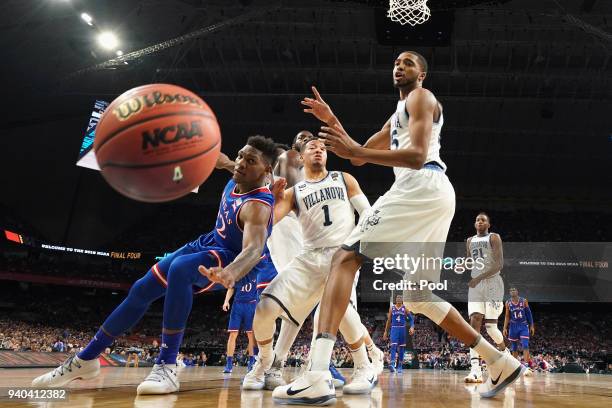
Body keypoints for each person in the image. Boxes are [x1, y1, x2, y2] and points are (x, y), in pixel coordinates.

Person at [273, 51, 524, 405]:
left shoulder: (422, 98)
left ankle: (316, 374)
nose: (399, 66)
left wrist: (355, 148)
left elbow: (417, 155)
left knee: (343, 259)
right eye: (395, 62)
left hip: (420, 183)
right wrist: (333, 120)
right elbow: (357, 155)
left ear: (422, 73)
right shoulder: (396, 117)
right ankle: (497, 360)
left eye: (408, 62)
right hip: (434, 194)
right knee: (417, 296)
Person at [32, 136, 280, 396]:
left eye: (249, 160)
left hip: (232, 259)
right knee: (141, 289)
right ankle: (86, 360)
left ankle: (167, 365)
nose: (241, 163)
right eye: (241, 155)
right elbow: (233, 165)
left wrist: (229, 273)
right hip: (208, 243)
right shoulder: (240, 175)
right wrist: (226, 162)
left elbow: (252, 249)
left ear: (266, 172)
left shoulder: (257, 205)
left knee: (182, 269)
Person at [238, 137, 378, 395]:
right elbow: (267, 224)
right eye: (313, 147)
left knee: (340, 311)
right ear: (300, 158)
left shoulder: (344, 178)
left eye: (323, 148)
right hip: (309, 258)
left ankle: (364, 366)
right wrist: (271, 199)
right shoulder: (294, 192)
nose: (319, 150)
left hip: (341, 255)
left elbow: (367, 213)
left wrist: (358, 247)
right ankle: (266, 361)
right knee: (265, 308)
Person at [464, 212, 507, 383]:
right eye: (477, 220)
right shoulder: (469, 240)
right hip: (476, 284)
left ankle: (505, 354)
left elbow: (499, 264)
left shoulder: (494, 237)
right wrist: (462, 264)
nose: (479, 222)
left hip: (493, 283)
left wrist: (479, 278)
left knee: (490, 328)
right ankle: (475, 369)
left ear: (488, 224)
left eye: (483, 220)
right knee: (474, 321)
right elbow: (470, 261)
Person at [222, 277, 257, 373]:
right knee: (233, 334)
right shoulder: (239, 272)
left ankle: (251, 362)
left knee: (251, 335)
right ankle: (229, 363)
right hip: (237, 305)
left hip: (251, 305)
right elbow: (231, 287)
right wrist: (226, 301)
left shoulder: (257, 272)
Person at [503, 287, 535, 371]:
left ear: (517, 292)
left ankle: (527, 366)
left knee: (525, 345)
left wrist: (531, 325)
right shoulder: (507, 303)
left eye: (514, 290)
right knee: (514, 347)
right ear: (510, 293)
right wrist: (504, 328)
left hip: (523, 325)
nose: (513, 291)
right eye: (511, 290)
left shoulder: (524, 301)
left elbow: (529, 313)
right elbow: (507, 316)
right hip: (513, 326)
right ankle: (515, 366)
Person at [383, 295, 414, 373]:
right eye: (397, 298)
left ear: (402, 300)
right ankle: (392, 364)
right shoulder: (392, 308)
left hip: (402, 329)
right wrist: (386, 331)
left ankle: (400, 366)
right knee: (393, 346)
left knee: (401, 348)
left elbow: (411, 319)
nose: (399, 299)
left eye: (400, 298)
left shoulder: (405, 308)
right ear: (395, 300)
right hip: (394, 328)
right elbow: (388, 321)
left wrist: (412, 327)